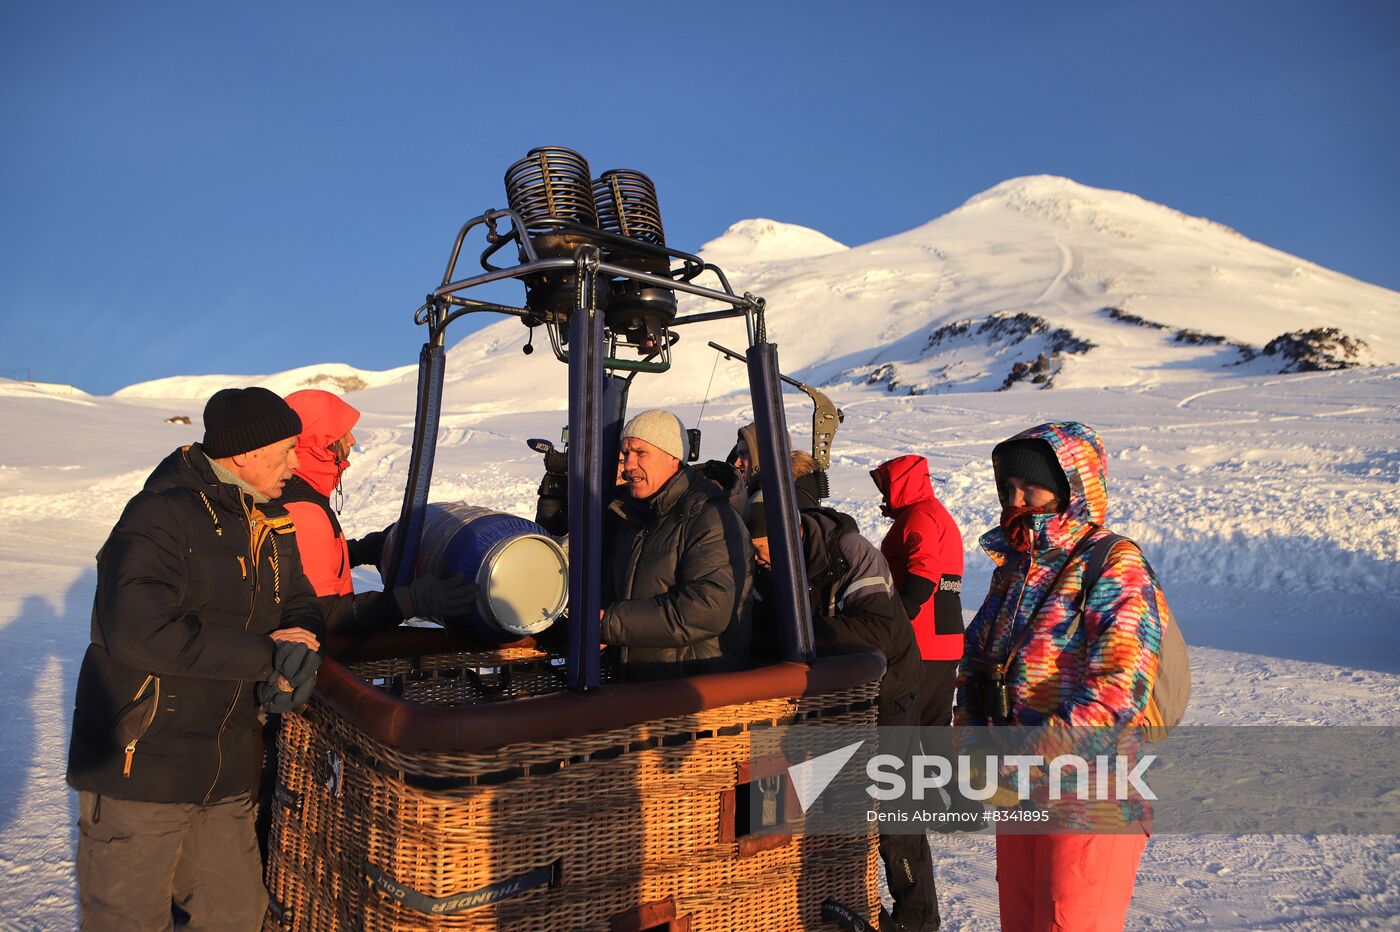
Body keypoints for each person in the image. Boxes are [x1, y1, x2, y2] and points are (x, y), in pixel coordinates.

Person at [66, 387, 326, 929]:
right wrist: (266, 656)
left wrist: (301, 638)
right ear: (245, 453)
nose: (296, 462)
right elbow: (138, 629)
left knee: (234, 915)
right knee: (127, 919)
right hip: (143, 767)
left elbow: (299, 596)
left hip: (227, 766)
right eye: (286, 449)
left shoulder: (271, 519)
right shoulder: (160, 515)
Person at [958, 422, 1162, 931]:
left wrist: (1020, 763)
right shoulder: (1017, 564)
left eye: (1032, 486)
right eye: (1009, 488)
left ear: (1073, 486)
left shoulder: (1113, 561)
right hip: (1019, 793)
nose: (1018, 499)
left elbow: (1119, 691)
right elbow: (981, 663)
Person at [744, 493, 938, 932]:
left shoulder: (848, 551)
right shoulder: (763, 566)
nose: (764, 558)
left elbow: (878, 631)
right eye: (755, 550)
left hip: (889, 690)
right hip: (829, 699)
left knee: (894, 808)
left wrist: (795, 632)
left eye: (768, 546)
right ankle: (852, 901)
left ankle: (918, 919)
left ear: (792, 531)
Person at [280, 389, 476, 634]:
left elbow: (304, 566)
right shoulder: (303, 512)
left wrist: (360, 550)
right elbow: (324, 616)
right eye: (343, 432)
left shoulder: (295, 496)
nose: (352, 440)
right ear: (321, 443)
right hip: (322, 667)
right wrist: (408, 601)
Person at [602, 409, 752, 679]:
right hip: (640, 684)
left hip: (693, 693)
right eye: (626, 454)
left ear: (671, 457)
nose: (628, 466)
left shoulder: (710, 518)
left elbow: (706, 609)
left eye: (640, 453)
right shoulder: (633, 514)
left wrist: (609, 623)